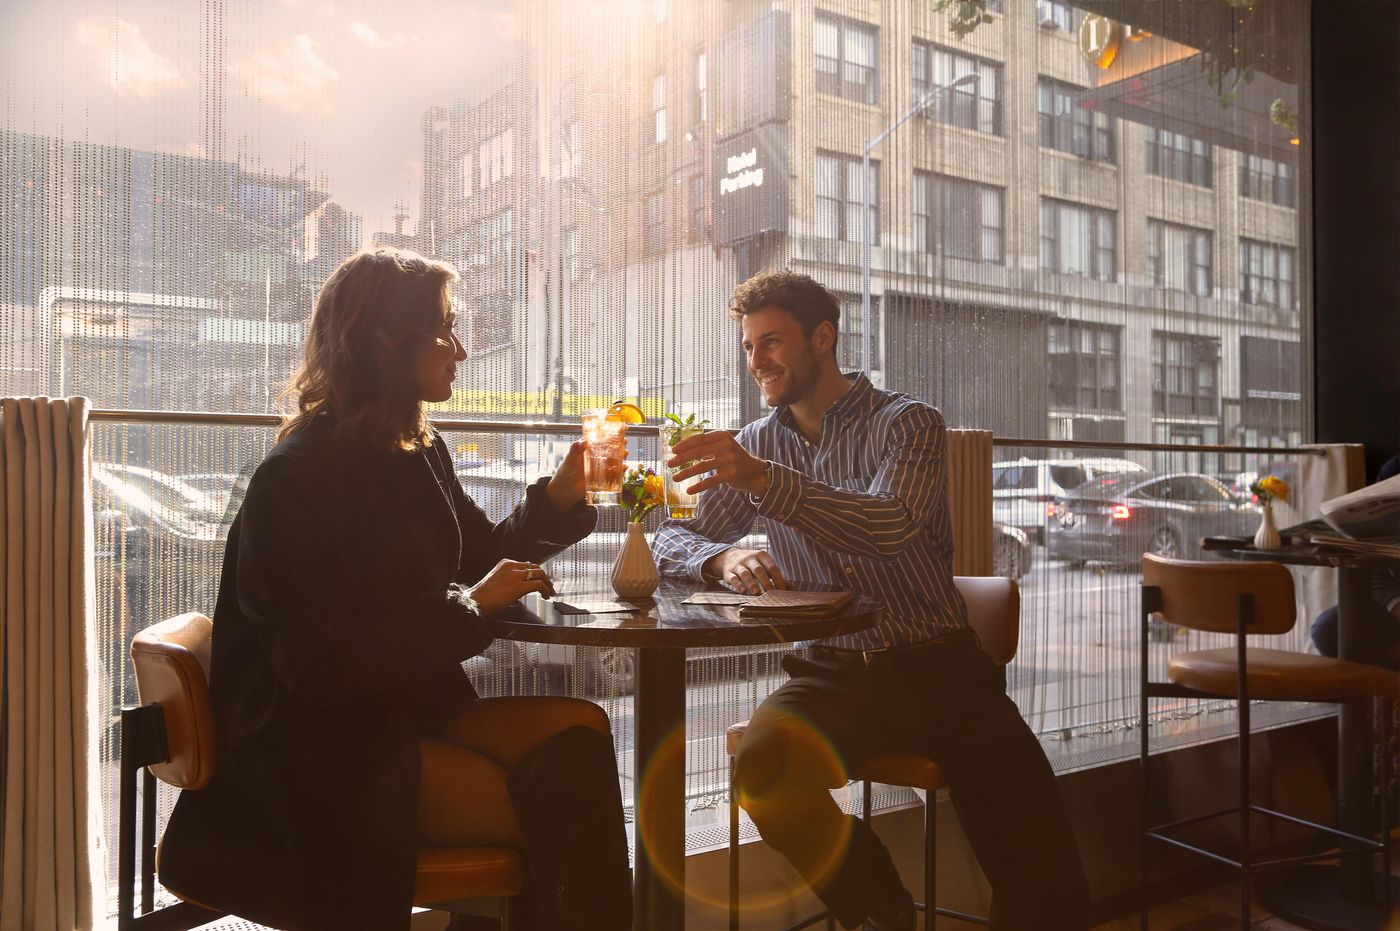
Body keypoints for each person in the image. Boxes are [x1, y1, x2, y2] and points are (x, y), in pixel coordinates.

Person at [158, 248, 632, 931]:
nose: (461, 346)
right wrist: (471, 605)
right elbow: (320, 668)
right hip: (321, 752)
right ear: (383, 340)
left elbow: (483, 558)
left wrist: (560, 496)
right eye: (444, 327)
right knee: (558, 808)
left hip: (400, 711)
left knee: (583, 728)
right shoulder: (294, 480)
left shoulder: (417, 450)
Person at [654, 271, 1088, 931]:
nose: (756, 361)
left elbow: (887, 525)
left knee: (1042, 855)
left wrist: (765, 483)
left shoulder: (906, 424)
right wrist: (720, 555)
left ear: (822, 337)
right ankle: (880, 909)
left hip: (939, 669)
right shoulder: (755, 444)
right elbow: (671, 535)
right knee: (763, 767)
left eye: (771, 342)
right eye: (748, 347)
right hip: (828, 674)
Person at [1309, 454, 1400, 670]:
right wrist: (1396, 605)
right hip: (1395, 603)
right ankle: (1370, 699)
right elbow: (1375, 563)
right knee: (1329, 628)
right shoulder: (1394, 469)